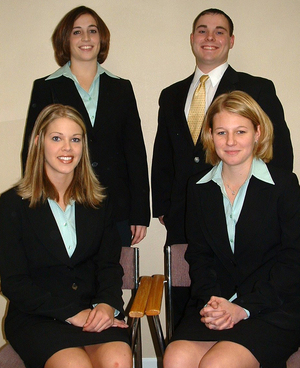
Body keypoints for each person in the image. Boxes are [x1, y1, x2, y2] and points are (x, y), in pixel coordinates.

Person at [151, 7, 293, 326]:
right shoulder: (171, 95)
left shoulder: (257, 88)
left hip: (244, 216)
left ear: (231, 40)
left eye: (219, 31)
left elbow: (279, 154)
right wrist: (162, 206)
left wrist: (264, 204)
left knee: (245, 304)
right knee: (191, 304)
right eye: (202, 30)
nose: (210, 37)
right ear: (192, 39)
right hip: (183, 214)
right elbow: (163, 155)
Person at [163, 91, 300, 368]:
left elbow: (293, 260)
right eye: (222, 132)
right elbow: (199, 256)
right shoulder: (198, 188)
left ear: (258, 132)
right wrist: (215, 303)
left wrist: (243, 308)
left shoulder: (284, 186)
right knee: (175, 358)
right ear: (210, 135)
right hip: (215, 303)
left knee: (218, 363)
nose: (231, 141)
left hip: (272, 308)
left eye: (241, 131)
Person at [0, 104, 132, 368]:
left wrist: (107, 305)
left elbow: (109, 266)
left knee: (118, 360)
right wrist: (73, 314)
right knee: (75, 365)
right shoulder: (11, 205)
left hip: (93, 310)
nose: (67, 148)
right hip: (37, 317)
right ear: (39, 142)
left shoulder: (100, 202)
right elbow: (14, 283)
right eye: (57, 138)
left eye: (75, 139)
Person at [21, 6, 150, 247]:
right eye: (77, 32)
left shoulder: (121, 88)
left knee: (111, 279)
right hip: (63, 204)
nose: (86, 38)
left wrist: (140, 213)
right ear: (65, 40)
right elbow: (32, 152)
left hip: (116, 207)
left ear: (102, 38)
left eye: (93, 30)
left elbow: (135, 153)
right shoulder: (46, 87)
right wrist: (37, 206)